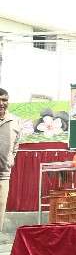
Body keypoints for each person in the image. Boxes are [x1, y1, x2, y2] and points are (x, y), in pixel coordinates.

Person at [0, 88, 20, 238]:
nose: (2, 103)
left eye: (4, 100)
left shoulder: (15, 121)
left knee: (0, 210)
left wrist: (11, 159)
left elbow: (16, 145)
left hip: (3, 175)